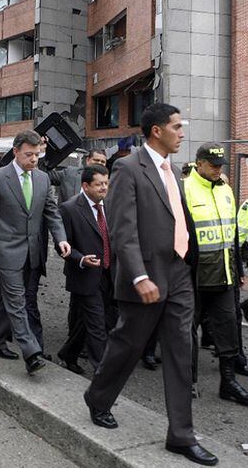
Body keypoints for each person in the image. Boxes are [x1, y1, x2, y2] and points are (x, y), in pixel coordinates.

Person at [84, 103, 217, 466]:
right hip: (145, 275)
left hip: (178, 273)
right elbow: (122, 226)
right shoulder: (128, 167)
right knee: (128, 344)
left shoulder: (173, 170)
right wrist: (139, 275)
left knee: (179, 349)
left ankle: (181, 435)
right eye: (176, 127)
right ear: (156, 130)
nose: (182, 133)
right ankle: (98, 397)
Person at [0, 130, 71, 374]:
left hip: (34, 252)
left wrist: (61, 239)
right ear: (15, 152)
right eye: (29, 154)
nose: (34, 159)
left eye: (37, 154)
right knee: (17, 301)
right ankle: (31, 351)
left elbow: (51, 212)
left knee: (17, 300)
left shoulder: (42, 178)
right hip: (5, 251)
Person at [185, 143, 248, 402]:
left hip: (224, 275)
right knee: (186, 333)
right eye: (212, 165)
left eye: (220, 166)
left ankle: (229, 383)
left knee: (228, 332)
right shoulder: (184, 189)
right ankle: (187, 381)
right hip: (194, 277)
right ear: (199, 164)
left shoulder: (225, 191)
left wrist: (238, 269)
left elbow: (232, 234)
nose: (217, 170)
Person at [57, 165, 114, 374]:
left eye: (106, 183)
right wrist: (81, 259)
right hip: (84, 275)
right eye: (99, 184)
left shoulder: (110, 205)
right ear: (85, 185)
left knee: (86, 322)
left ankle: (68, 354)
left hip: (108, 274)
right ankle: (103, 373)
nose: (104, 188)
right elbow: (61, 245)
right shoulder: (70, 208)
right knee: (98, 325)